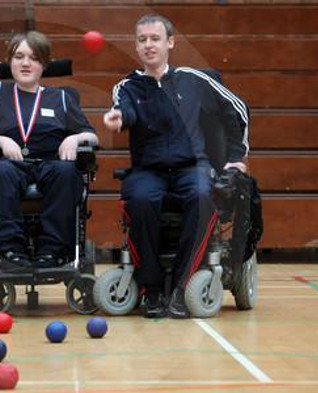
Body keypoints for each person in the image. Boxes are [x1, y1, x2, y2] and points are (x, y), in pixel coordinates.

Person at [103, 15, 249, 318]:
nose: (148, 45)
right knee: (140, 201)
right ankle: (151, 290)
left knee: (201, 197)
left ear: (169, 42)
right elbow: (124, 110)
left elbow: (236, 110)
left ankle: (184, 287)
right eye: (142, 39)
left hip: (191, 167)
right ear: (136, 45)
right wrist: (119, 118)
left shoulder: (195, 80)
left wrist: (237, 157)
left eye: (154, 38)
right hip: (148, 170)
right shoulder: (127, 86)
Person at [0, 31, 98, 271]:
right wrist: (1, 141)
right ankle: (10, 251)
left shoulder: (61, 97)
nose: (26, 63)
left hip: (53, 163)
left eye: (34, 57)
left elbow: (92, 135)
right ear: (10, 61)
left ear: (44, 64)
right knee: (0, 174)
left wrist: (75, 137)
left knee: (68, 174)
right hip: (10, 163)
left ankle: (53, 251)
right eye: (19, 56)